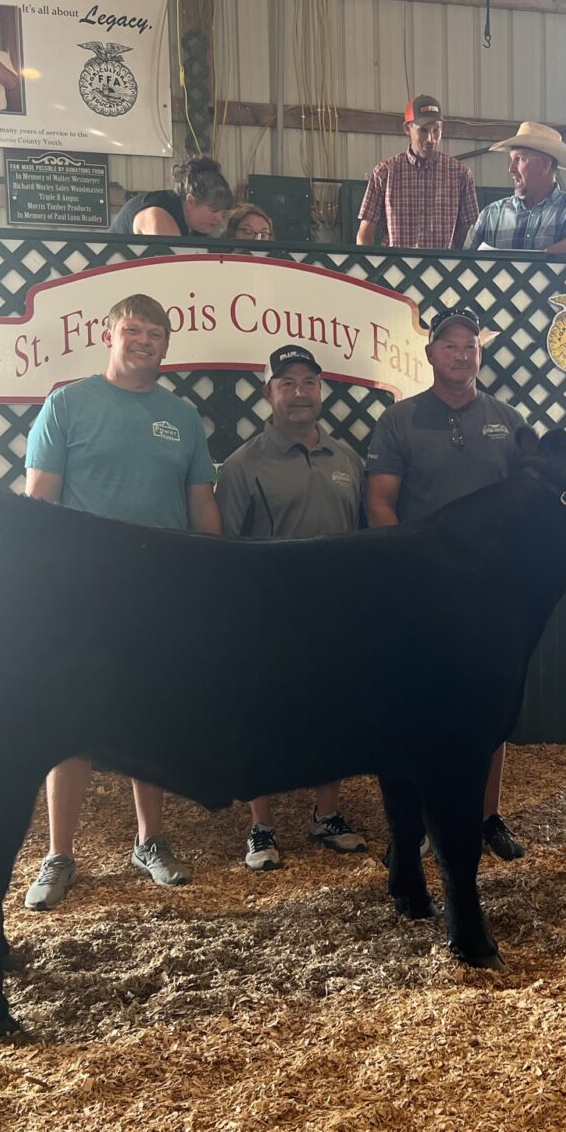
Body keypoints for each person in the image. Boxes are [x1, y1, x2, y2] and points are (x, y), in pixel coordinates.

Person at [21, 294, 222, 911]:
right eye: (132, 330)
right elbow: (38, 506)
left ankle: (150, 841)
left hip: (158, 591)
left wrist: (217, 571)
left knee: (148, 718)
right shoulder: (67, 405)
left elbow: (201, 505)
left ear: (166, 346)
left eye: (154, 333)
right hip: (81, 592)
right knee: (71, 724)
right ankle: (58, 855)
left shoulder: (182, 418)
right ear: (108, 336)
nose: (143, 341)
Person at [365, 305, 528, 862]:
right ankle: (412, 829)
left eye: (470, 346)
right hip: (423, 590)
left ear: (480, 354)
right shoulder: (399, 420)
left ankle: (485, 818)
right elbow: (379, 503)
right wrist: (414, 565)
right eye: (450, 345)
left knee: (490, 704)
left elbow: (526, 502)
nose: (461, 355)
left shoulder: (508, 420)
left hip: (492, 590)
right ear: (430, 354)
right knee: (417, 704)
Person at [215, 344, 368, 865]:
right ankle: (262, 827)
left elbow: (364, 539)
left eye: (308, 382)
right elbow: (226, 549)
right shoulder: (242, 465)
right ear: (268, 394)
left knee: (334, 715)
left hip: (339, 617)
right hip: (269, 618)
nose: (299, 393)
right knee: (264, 717)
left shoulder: (347, 459)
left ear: (319, 391)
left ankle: (328, 815)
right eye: (287, 383)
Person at [357, 95, 479, 250]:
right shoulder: (384, 173)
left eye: (436, 131)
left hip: (443, 270)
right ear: (407, 128)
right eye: (423, 130)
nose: (431, 139)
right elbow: (365, 234)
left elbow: (471, 233)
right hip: (394, 270)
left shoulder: (460, 174)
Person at [465, 122, 566, 254]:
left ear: (544, 165)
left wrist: (534, 264)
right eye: (512, 160)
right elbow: (461, 260)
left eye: (519, 159)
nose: (511, 169)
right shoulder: (491, 214)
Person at [110, 156, 233, 238]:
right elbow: (174, 271)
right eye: (214, 210)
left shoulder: (195, 227)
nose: (219, 219)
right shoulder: (158, 215)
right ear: (190, 201)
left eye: (222, 213)